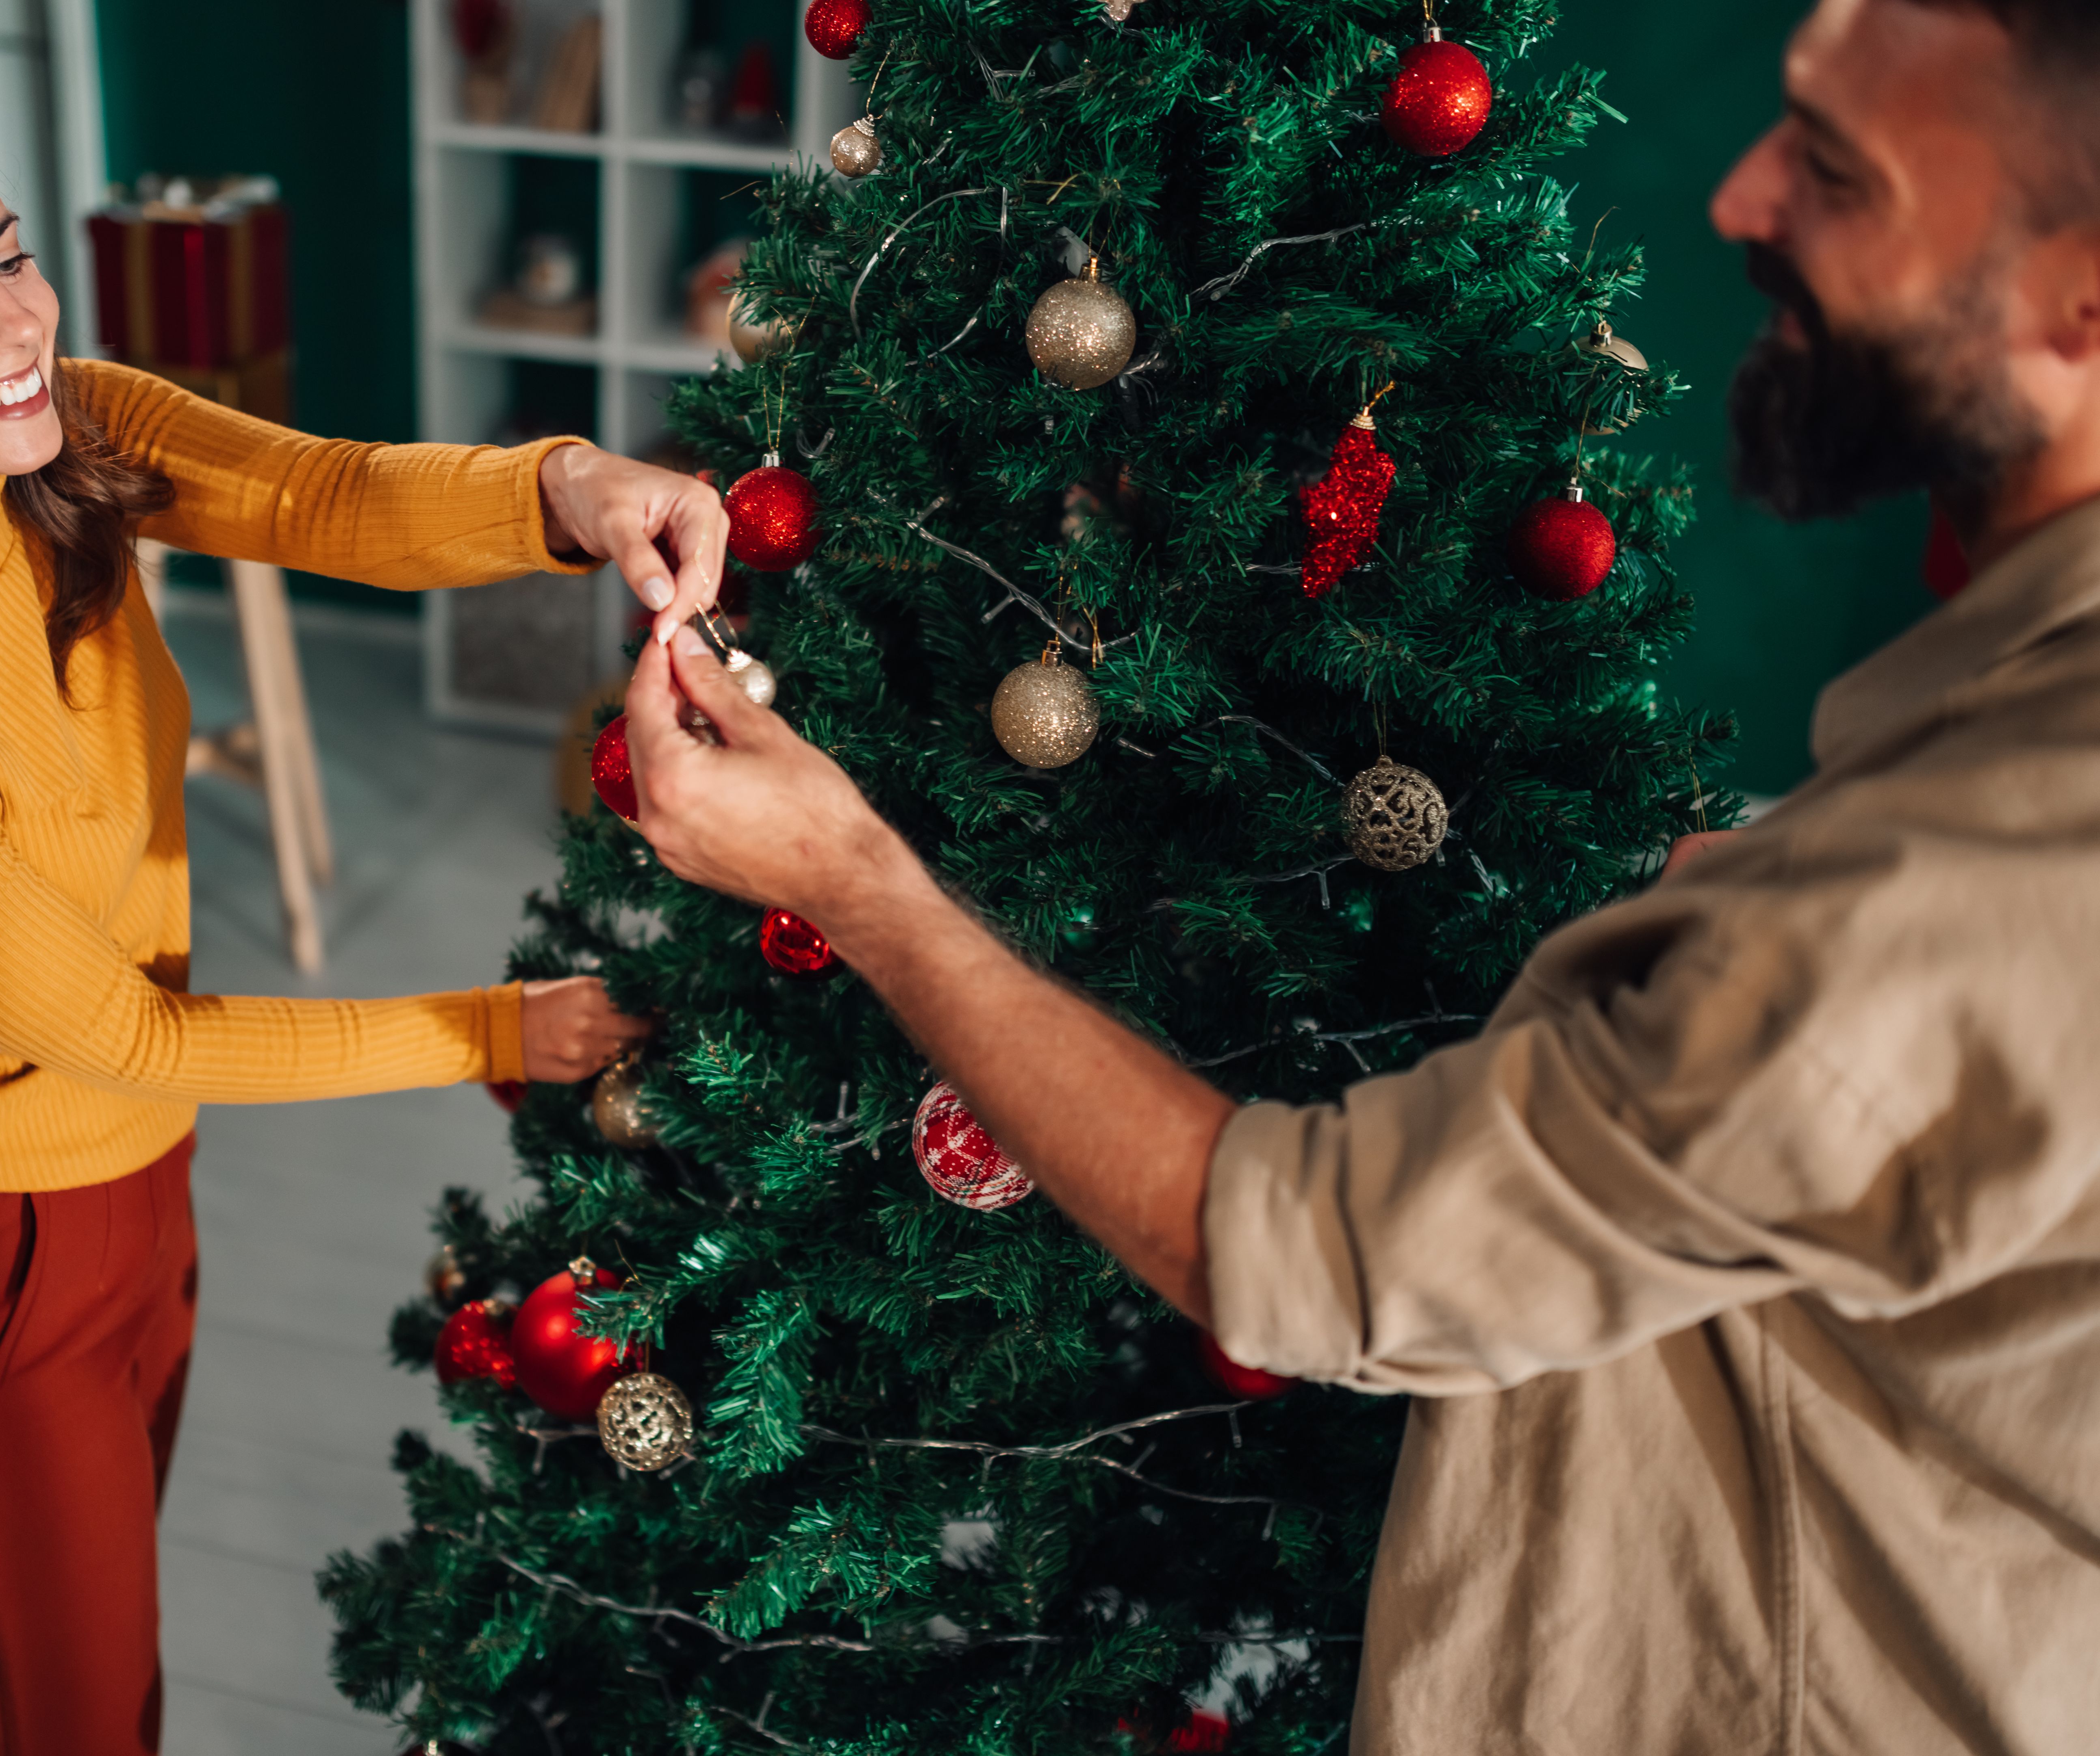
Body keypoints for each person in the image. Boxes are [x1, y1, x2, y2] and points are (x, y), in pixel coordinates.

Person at [621, 0, 2100, 1748]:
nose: (1739, 201)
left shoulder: (1975, 868)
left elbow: (1306, 1258)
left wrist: (861, 881)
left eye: (1839, 174)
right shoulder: (1974, 780)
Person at [0, 63, 714, 1756]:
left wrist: (567, 486)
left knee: (13, 1690)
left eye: (8, 252)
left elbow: (316, 492)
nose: (14, 321)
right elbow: (126, 1037)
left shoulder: (55, 440)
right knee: (83, 1717)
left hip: (133, 1207)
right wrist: (491, 1032)